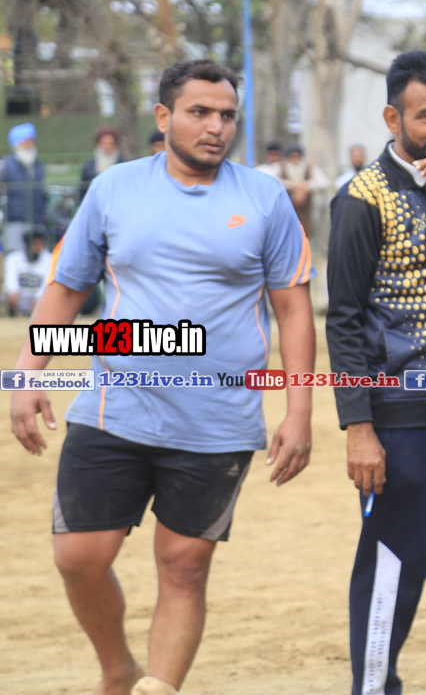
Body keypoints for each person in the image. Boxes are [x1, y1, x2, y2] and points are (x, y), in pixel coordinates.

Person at [8, 59, 316, 695]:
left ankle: (159, 687)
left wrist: (299, 409)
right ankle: (117, 668)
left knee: (183, 568)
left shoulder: (264, 199)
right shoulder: (114, 189)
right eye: (200, 112)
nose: (216, 127)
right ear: (163, 116)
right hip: (113, 406)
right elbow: (67, 288)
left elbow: (292, 308)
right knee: (79, 557)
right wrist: (26, 376)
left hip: (218, 419)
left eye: (226, 115)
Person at [326, 50, 426, 695]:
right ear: (393, 119)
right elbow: (343, 321)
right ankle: (374, 686)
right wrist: (358, 427)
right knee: (393, 565)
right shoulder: (362, 199)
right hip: (401, 418)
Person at [255, 143, 330, 237]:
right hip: (286, 210)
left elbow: (324, 182)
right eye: (292, 157)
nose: (295, 160)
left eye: (297, 156)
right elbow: (272, 180)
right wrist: (292, 186)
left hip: (305, 212)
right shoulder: (280, 167)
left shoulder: (309, 167)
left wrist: (305, 186)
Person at [1, 123, 48, 255]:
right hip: (14, 221)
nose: (28, 144)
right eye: (24, 141)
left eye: (30, 141)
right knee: (14, 254)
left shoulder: (39, 165)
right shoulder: (5, 165)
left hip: (36, 221)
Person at [5, 229, 52, 316]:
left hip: (39, 299)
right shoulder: (13, 258)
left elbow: (47, 284)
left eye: (40, 244)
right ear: (26, 245)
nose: (37, 247)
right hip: (19, 298)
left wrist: (39, 298)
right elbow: (11, 281)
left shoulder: (49, 259)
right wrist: (13, 293)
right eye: (34, 244)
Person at [81, 126, 127, 193]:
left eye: (111, 144)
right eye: (104, 143)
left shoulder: (124, 164)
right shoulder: (88, 166)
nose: (107, 147)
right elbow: (83, 190)